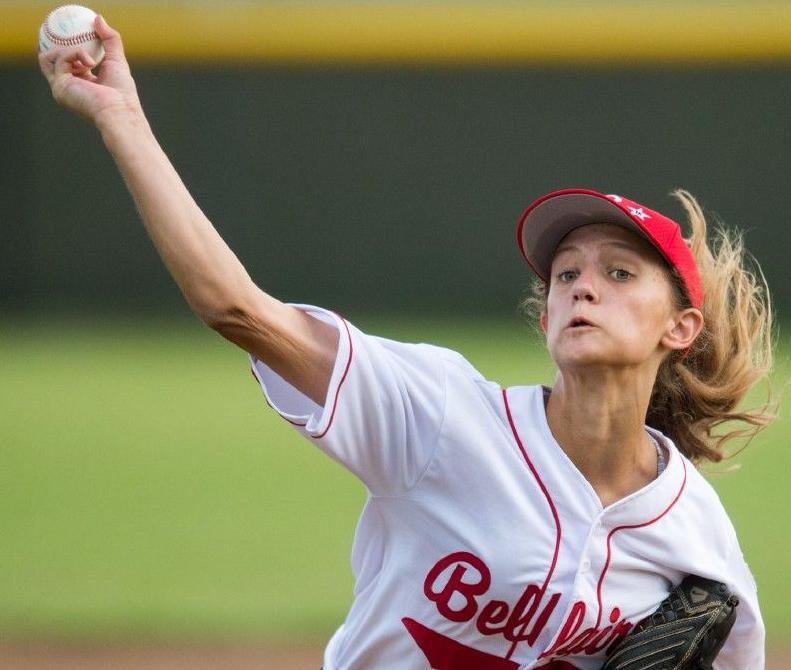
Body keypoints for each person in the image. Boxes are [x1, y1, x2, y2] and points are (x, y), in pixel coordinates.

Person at [39, 17, 774, 670]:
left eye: (618, 273)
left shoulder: (692, 534)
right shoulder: (439, 418)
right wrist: (121, 116)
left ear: (679, 328)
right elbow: (236, 309)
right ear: (544, 313)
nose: (582, 287)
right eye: (564, 273)